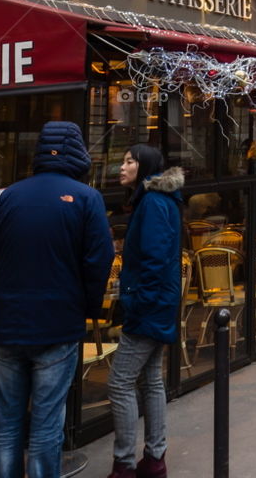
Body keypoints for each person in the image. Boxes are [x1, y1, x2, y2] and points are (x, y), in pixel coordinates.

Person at [0, 121, 113, 478]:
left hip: (7, 323)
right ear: (79, 152)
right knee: (46, 427)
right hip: (57, 323)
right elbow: (98, 261)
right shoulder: (86, 198)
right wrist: (88, 308)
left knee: (6, 425)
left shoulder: (8, 197)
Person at [107, 144, 184, 478]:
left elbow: (153, 258)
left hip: (148, 306)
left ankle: (124, 464)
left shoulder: (152, 202)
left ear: (145, 166)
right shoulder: (157, 200)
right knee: (151, 380)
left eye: (128, 162)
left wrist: (137, 301)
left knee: (119, 382)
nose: (120, 168)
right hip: (157, 303)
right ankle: (154, 460)